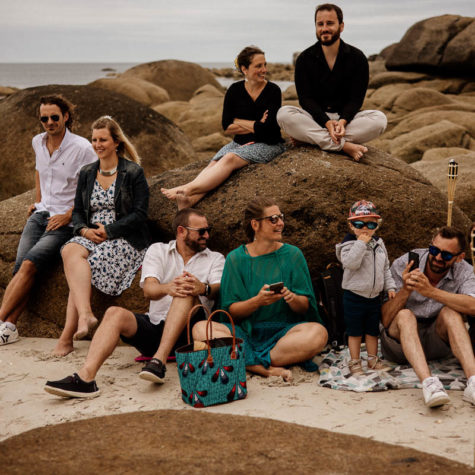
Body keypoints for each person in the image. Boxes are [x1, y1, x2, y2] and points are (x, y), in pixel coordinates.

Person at [44, 208, 225, 398]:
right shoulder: (158, 250)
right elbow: (149, 290)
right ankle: (85, 378)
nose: (207, 235)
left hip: (190, 334)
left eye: (208, 230)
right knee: (115, 313)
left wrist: (201, 288)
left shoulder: (215, 258)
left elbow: (217, 288)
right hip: (155, 328)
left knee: (186, 289)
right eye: (201, 231)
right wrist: (168, 288)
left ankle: (159, 362)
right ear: (181, 231)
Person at [192, 197, 328, 381]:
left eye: (281, 217)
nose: (280, 223)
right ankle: (265, 369)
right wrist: (257, 301)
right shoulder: (236, 259)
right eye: (273, 219)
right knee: (201, 328)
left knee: (319, 334)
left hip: (283, 335)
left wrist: (291, 297)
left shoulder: (293, 255)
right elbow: (231, 311)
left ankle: (246, 361)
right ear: (255, 224)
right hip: (244, 333)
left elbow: (305, 307)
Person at [0, 95, 96, 346]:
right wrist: (38, 199)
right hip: (41, 213)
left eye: (55, 117)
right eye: (44, 118)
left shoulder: (83, 147)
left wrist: (68, 215)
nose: (49, 122)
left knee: (30, 265)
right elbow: (39, 171)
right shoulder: (37, 142)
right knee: (20, 267)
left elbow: (91, 187)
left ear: (66, 116)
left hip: (65, 221)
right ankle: (9, 327)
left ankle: (0, 321)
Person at [52, 116, 151, 356]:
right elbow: (77, 211)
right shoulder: (87, 172)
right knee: (68, 250)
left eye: (103, 139)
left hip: (123, 237)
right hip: (92, 232)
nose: (97, 144)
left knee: (84, 266)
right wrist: (84, 230)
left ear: (116, 142)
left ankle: (66, 337)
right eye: (94, 139)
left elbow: (140, 214)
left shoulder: (133, 172)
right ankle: (86, 315)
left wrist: (110, 230)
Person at [161, 46, 285, 209]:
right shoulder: (234, 90)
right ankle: (191, 200)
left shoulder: (273, 91)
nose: (264, 70)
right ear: (244, 69)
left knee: (229, 159)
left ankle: (187, 188)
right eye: (258, 66)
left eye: (264, 65)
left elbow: (267, 130)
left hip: (269, 144)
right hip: (239, 143)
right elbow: (227, 126)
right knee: (213, 165)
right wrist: (257, 124)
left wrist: (239, 120)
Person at [276, 3, 387, 162]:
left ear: (341, 26)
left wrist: (342, 121)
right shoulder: (304, 59)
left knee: (380, 119)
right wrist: (326, 123)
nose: (324, 28)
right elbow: (305, 99)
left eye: (330, 23)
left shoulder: (357, 58)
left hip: (346, 121)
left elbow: (356, 99)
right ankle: (343, 146)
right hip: (315, 118)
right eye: (320, 24)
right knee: (283, 114)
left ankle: (311, 139)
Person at [381, 226, 475, 408]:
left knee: (451, 312)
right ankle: (429, 384)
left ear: (459, 257)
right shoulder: (407, 262)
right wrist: (405, 290)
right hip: (399, 343)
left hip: (436, 339)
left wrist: (431, 292)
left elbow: (473, 305)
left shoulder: (464, 270)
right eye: (434, 250)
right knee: (405, 315)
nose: (438, 258)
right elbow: (385, 319)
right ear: (430, 246)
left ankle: (473, 381)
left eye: (446, 255)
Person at [335, 200, 396, 375]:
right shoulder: (347, 245)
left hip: (374, 296)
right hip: (354, 295)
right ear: (351, 225)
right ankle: (355, 362)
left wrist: (390, 287)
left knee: (372, 331)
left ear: (377, 226)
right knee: (354, 331)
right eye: (359, 224)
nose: (364, 228)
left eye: (370, 224)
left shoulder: (379, 244)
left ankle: (372, 359)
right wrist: (360, 244)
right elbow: (350, 263)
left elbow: (385, 268)